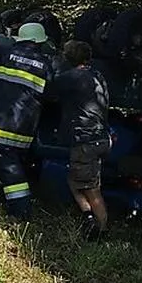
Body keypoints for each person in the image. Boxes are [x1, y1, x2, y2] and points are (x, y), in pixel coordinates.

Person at [0, 22, 56, 219]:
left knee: (9, 167)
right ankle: (13, 204)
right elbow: (50, 95)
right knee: (10, 163)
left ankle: (21, 211)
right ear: (38, 42)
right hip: (22, 126)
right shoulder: (46, 65)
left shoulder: (3, 53)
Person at [52, 40, 111, 240]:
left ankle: (101, 232)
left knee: (90, 188)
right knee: (76, 181)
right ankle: (89, 218)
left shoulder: (71, 77)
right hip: (101, 137)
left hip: (86, 139)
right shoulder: (97, 75)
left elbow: (48, 91)